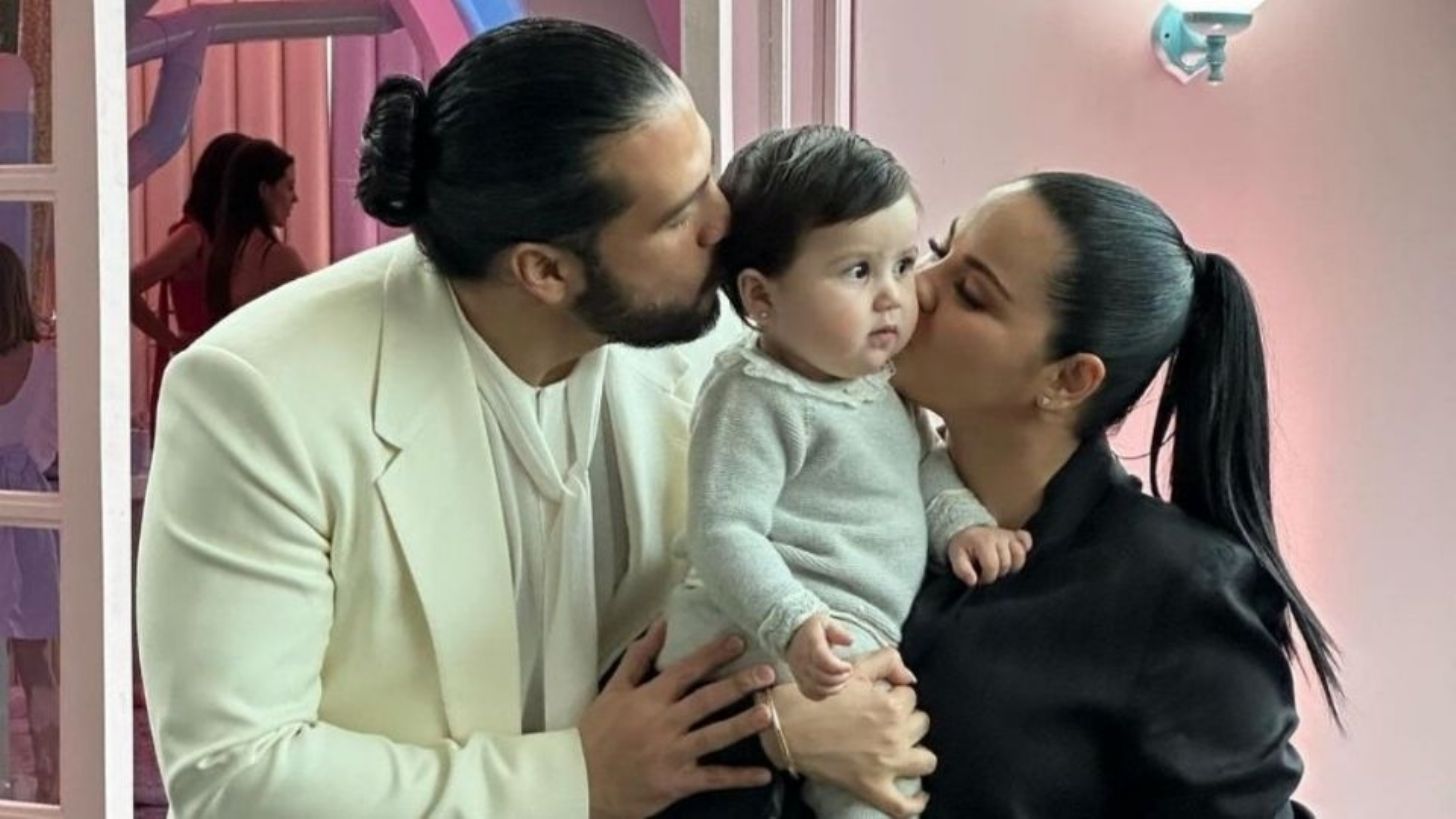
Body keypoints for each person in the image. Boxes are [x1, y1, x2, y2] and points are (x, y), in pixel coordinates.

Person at [138, 19, 929, 818]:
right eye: (676, 214)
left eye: (709, 175)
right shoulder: (257, 393)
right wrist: (577, 779)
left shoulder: (724, 336)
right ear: (545, 270)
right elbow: (234, 777)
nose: (724, 221)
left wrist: (782, 713)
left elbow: (804, 554)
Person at [888, 172, 1339, 816]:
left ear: (1069, 379)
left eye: (971, 293)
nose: (915, 287)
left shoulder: (1180, 588)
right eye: (939, 251)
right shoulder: (842, 494)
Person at [657, 125, 1026, 819]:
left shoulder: (878, 378)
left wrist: (964, 523)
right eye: (858, 272)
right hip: (758, 624)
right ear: (761, 298)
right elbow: (723, 529)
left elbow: (923, 467)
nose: (893, 296)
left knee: (885, 774)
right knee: (876, 786)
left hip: (845, 631)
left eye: (903, 264)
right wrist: (792, 619)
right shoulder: (754, 393)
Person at [129, 131, 249, 422]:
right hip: (203, 370)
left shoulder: (236, 237)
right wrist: (171, 341)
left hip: (234, 367)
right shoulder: (192, 236)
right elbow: (128, 287)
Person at [0, 240, 59, 802]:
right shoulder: (48, 366)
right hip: (34, 523)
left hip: (23, 520)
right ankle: (50, 781)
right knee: (37, 666)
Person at [204, 137, 306, 317]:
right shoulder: (280, 259)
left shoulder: (221, 255)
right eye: (289, 187)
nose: (295, 198)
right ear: (264, 190)